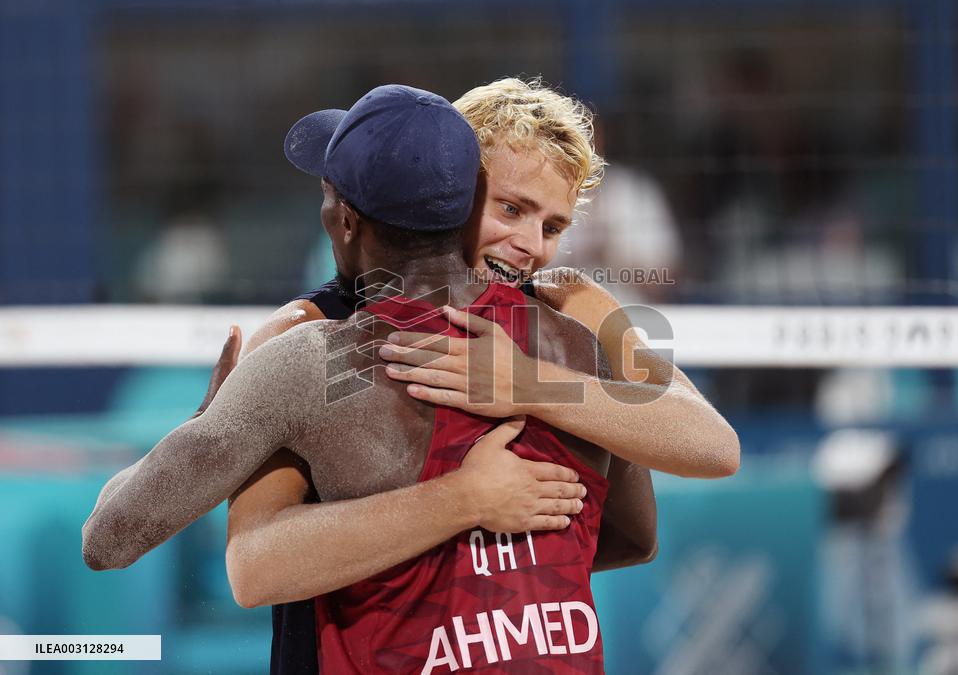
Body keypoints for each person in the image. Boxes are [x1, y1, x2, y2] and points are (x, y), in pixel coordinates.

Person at [82, 83, 650, 673]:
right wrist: (488, 551)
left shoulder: (303, 354)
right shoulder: (577, 342)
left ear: (344, 219)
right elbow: (637, 534)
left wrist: (208, 420)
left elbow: (112, 540)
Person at [219, 78, 739, 672]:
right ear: (446, 192)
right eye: (510, 209)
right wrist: (461, 507)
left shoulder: (569, 304)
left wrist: (532, 387)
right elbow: (254, 570)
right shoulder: (306, 332)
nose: (529, 246)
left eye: (552, 227)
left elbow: (709, 450)